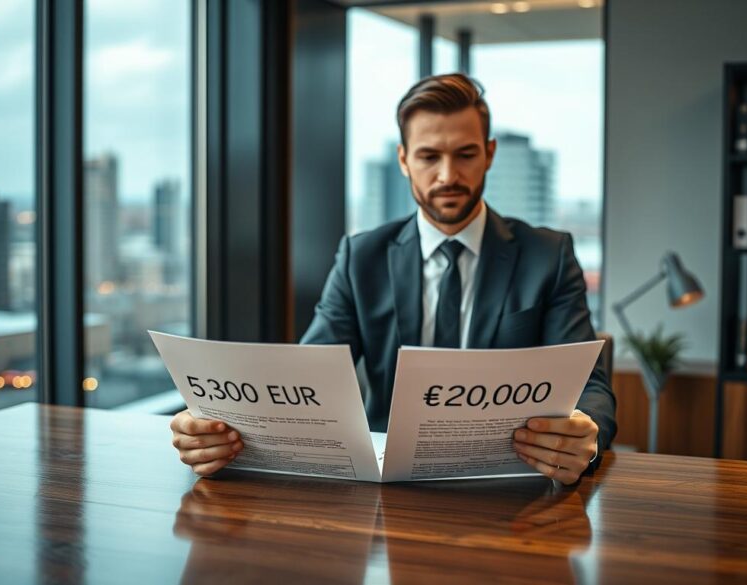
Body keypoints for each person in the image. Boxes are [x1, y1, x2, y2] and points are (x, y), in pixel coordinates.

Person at [171, 73, 616, 485]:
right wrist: (216, 429)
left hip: (510, 482)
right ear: (404, 159)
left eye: (465, 154)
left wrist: (584, 439)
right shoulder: (360, 257)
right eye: (428, 156)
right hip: (387, 488)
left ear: (490, 154)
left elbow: (590, 386)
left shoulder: (548, 256)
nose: (447, 175)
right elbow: (308, 382)